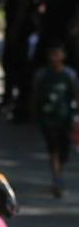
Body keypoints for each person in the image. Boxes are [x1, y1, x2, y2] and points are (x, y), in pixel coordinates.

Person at [30, 43, 79, 198]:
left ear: (64, 56)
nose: (55, 58)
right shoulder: (42, 74)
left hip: (65, 117)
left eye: (58, 54)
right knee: (53, 147)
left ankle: (59, 172)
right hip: (47, 117)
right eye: (53, 54)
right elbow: (35, 94)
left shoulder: (69, 75)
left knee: (64, 149)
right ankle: (57, 177)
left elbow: (76, 94)